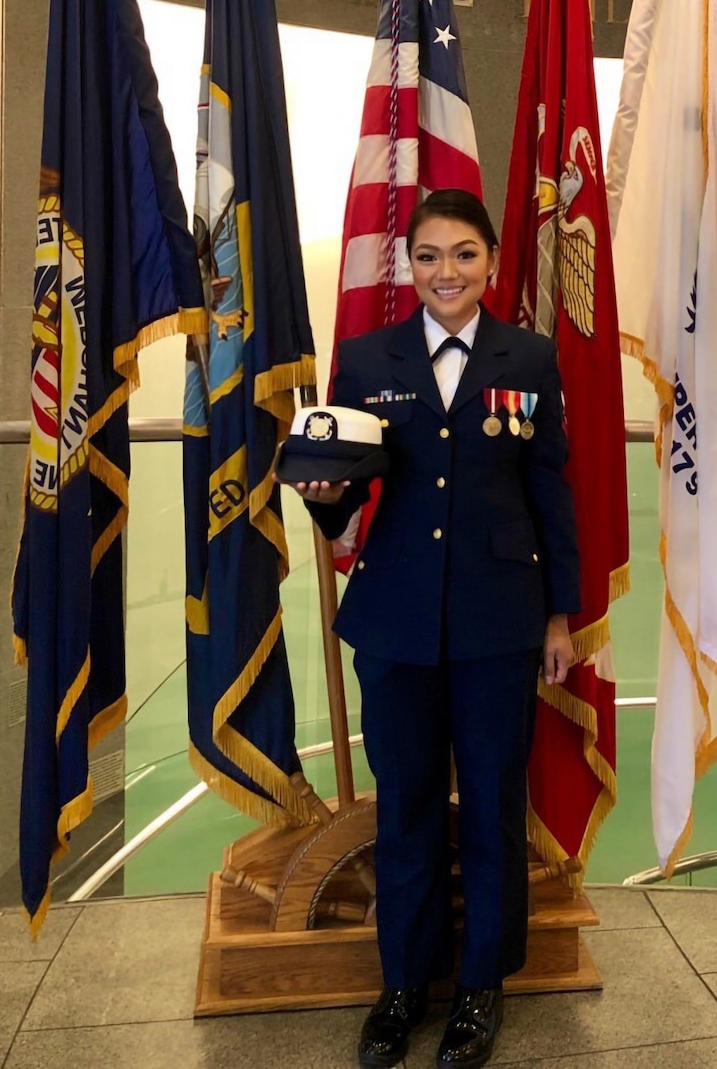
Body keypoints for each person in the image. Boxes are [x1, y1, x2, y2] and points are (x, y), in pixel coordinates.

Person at [276, 188, 579, 1069]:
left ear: (491, 262)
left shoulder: (530, 356)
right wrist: (326, 506)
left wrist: (560, 615)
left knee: (490, 807)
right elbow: (345, 490)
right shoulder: (369, 357)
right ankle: (401, 987)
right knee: (404, 808)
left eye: (465, 255)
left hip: (500, 621)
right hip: (397, 618)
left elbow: (548, 489)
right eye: (430, 256)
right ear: (409, 267)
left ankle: (481, 987)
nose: (447, 272)